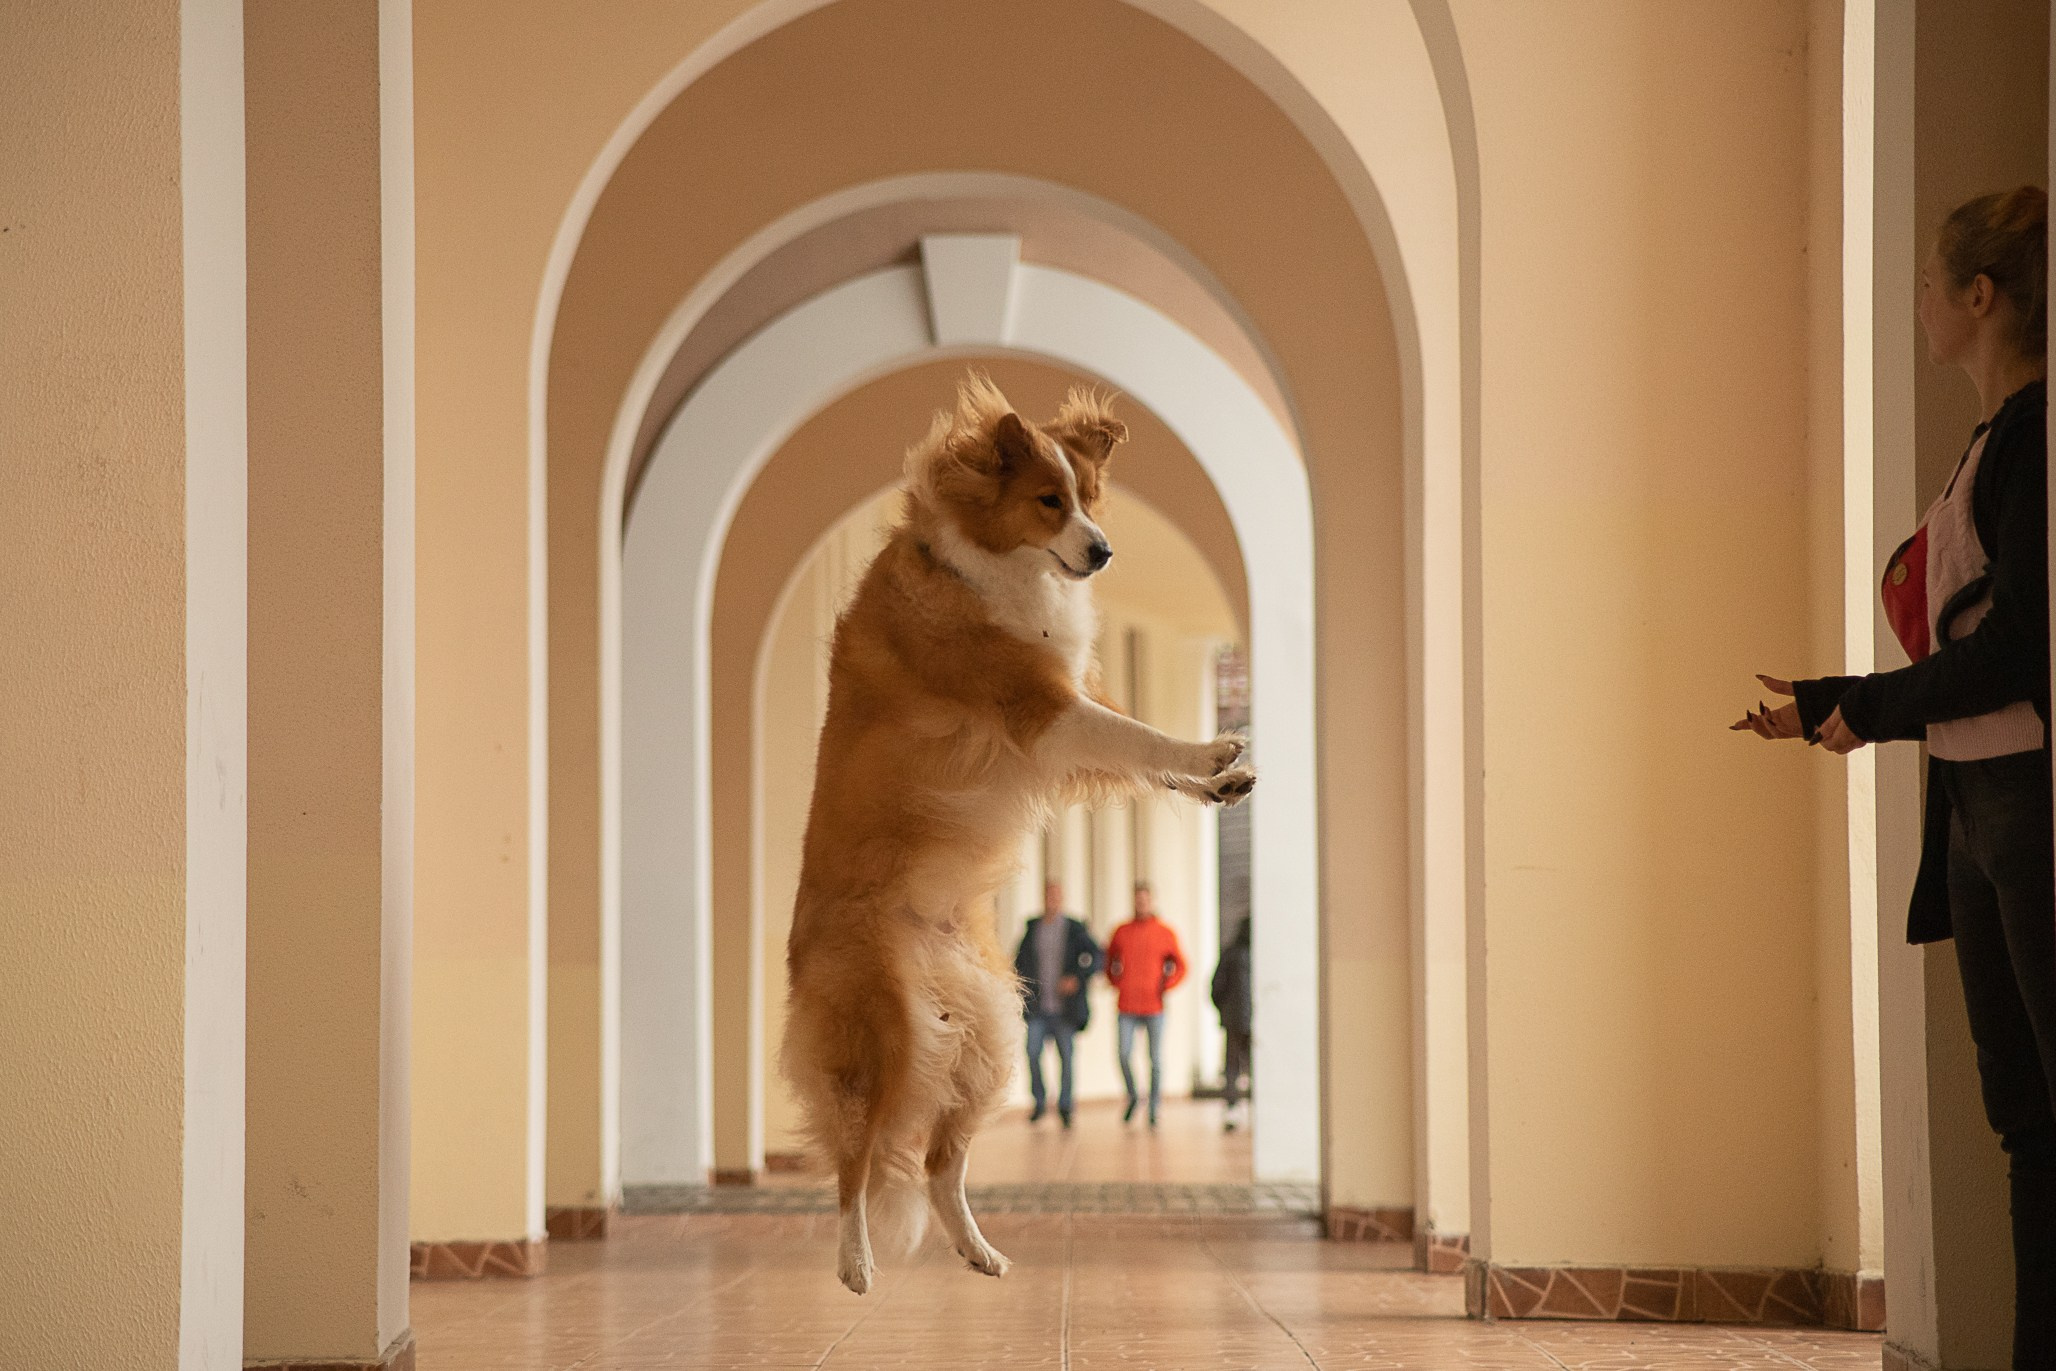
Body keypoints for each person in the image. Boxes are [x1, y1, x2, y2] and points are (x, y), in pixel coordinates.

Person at [1734, 186, 2051, 1368]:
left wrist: (1860, 705)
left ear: (1980, 295)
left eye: (1930, 281)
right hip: (1974, 805)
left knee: (2044, 1113)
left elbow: (2016, 649)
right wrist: (1845, 704)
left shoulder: (2033, 438)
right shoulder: (1988, 440)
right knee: (2023, 1121)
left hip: (2022, 804)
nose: (1919, 299)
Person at [1013, 881, 1102, 1128]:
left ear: (1062, 898)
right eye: (1048, 895)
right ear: (1043, 898)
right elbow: (1018, 963)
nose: (1052, 900)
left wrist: (1077, 978)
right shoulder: (1033, 928)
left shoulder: (1074, 928)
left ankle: (1065, 1106)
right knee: (1032, 1052)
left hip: (1065, 1009)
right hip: (1038, 1008)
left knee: (1067, 1058)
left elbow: (1097, 957)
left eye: (1056, 895)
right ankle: (1039, 1102)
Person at [1106, 881, 1187, 1128]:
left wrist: (1166, 985)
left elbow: (1181, 966)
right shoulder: (1121, 931)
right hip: (1127, 1005)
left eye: (1145, 899)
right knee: (1123, 1054)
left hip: (1154, 1006)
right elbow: (1108, 961)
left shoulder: (1165, 932)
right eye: (1138, 899)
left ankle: (1154, 1107)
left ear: (1152, 901)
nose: (1141, 903)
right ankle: (1133, 1095)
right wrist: (1118, 982)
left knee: (1156, 1059)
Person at [1210, 918, 1253, 1132]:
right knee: (1254, 1066)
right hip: (1252, 1019)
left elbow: (1216, 986)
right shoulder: (1259, 955)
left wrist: (1225, 1010)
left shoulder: (1230, 953)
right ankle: (1256, 1107)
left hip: (1234, 1019)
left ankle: (1232, 1109)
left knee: (1232, 1067)